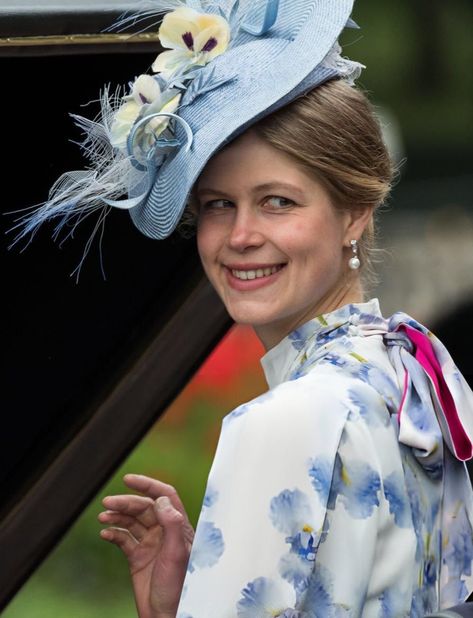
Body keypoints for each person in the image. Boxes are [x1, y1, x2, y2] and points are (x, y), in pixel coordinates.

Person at [15, 0, 473, 616]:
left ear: (355, 213)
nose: (240, 236)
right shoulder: (410, 374)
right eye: (217, 205)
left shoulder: (282, 422)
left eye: (278, 202)